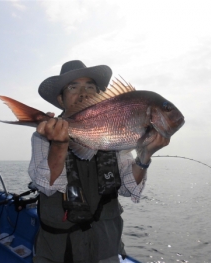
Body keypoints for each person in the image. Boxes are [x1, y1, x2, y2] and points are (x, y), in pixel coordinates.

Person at [28, 60, 170, 263]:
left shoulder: (115, 132)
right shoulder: (43, 135)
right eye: (73, 87)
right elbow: (46, 186)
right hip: (58, 250)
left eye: (90, 87)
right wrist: (58, 145)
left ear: (100, 96)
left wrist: (145, 155)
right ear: (61, 99)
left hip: (106, 246)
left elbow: (128, 189)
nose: (83, 93)